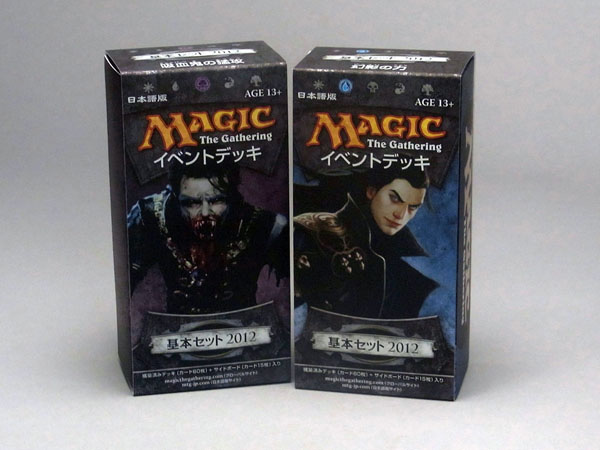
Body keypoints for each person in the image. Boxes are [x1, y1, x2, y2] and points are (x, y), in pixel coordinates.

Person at [127, 150, 288, 315]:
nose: (205, 213)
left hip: (246, 327)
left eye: (217, 200)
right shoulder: (148, 217)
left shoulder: (266, 225)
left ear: (232, 197)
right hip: (178, 328)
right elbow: (121, 284)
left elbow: (300, 290)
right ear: (176, 198)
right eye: (192, 203)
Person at [294, 164, 438, 320]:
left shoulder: (407, 266)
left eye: (413, 207)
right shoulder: (314, 232)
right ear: (371, 192)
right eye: (395, 199)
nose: (401, 215)